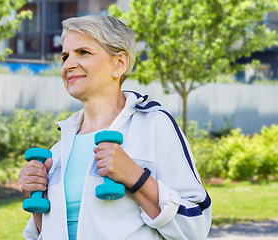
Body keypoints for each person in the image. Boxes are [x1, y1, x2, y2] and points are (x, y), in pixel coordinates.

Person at [19, 15, 212, 240]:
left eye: (83, 52)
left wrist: (136, 178)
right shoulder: (58, 150)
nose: (68, 64)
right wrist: (34, 194)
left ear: (119, 63)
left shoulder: (154, 125)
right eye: (65, 56)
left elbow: (195, 227)